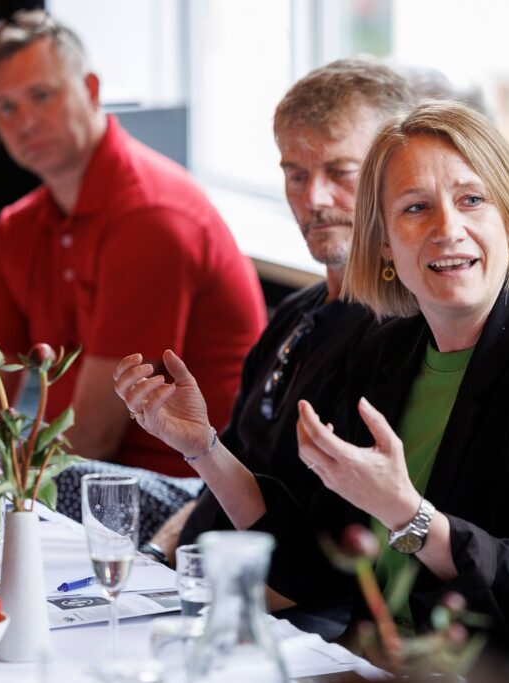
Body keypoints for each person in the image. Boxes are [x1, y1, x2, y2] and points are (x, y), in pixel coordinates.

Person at [114, 100, 509, 682]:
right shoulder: (389, 351)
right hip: (400, 660)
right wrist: (204, 448)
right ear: (383, 246)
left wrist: (408, 514)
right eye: (416, 208)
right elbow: (316, 568)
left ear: (508, 219)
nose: (448, 229)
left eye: (472, 200)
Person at [0, 10, 266, 476]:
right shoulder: (16, 227)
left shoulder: (151, 216)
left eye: (42, 96)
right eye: (6, 107)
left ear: (91, 90)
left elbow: (96, 432)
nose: (24, 123)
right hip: (84, 472)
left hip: (188, 487)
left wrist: (1, 485)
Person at [160, 59, 414, 556]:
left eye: (340, 172)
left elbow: (327, 553)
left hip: (277, 598)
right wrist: (158, 559)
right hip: (199, 560)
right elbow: (223, 472)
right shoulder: (297, 311)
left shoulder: (401, 329)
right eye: (295, 175)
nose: (314, 197)